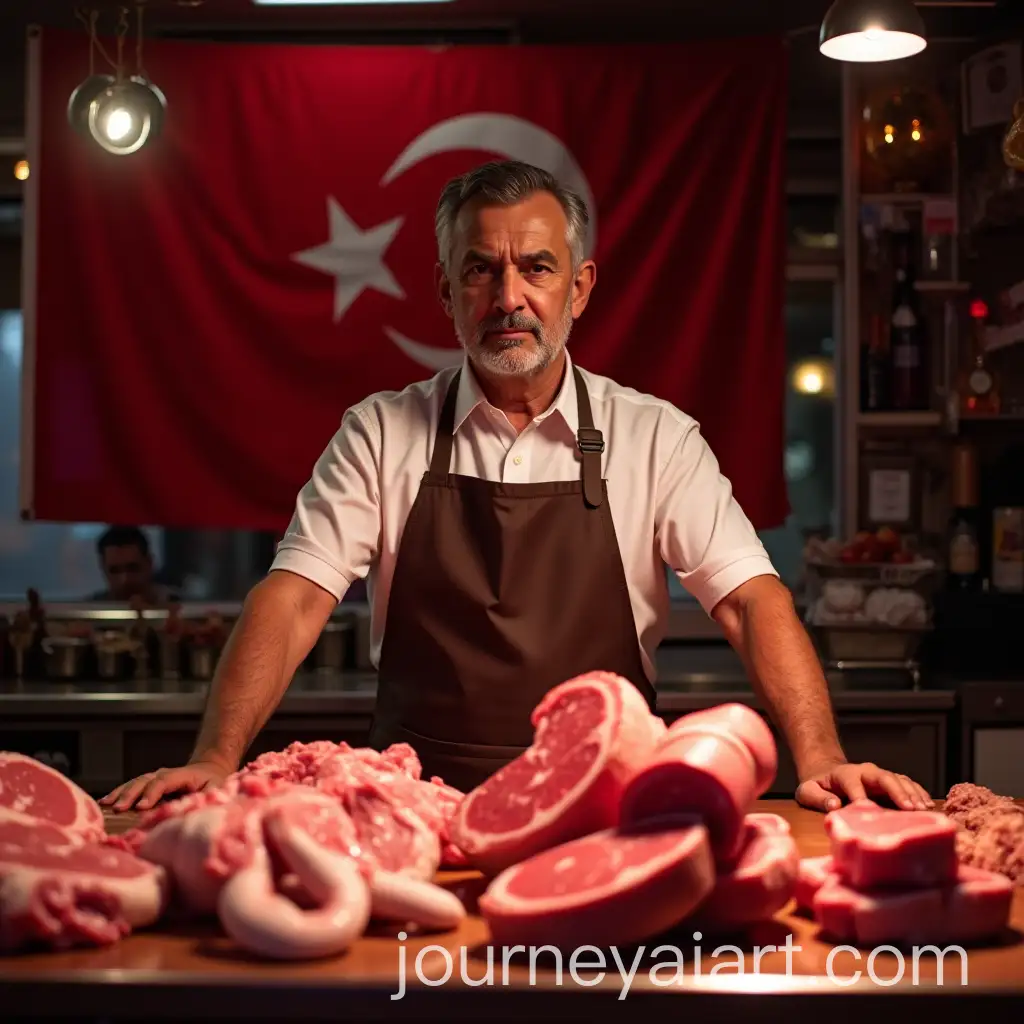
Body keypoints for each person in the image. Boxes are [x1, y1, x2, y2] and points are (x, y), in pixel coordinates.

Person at [103, 160, 933, 814]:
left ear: (579, 286)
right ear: (445, 292)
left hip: (607, 803)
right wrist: (215, 755)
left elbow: (755, 602)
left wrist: (819, 757)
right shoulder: (380, 432)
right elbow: (290, 602)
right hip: (416, 808)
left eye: (537, 268)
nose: (510, 299)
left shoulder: (656, 437)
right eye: (480, 271)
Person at [89, 525, 176, 605]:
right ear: (103, 569)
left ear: (149, 563)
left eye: (133, 568)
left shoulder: (178, 605)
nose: (124, 580)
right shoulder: (89, 611)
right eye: (114, 571)